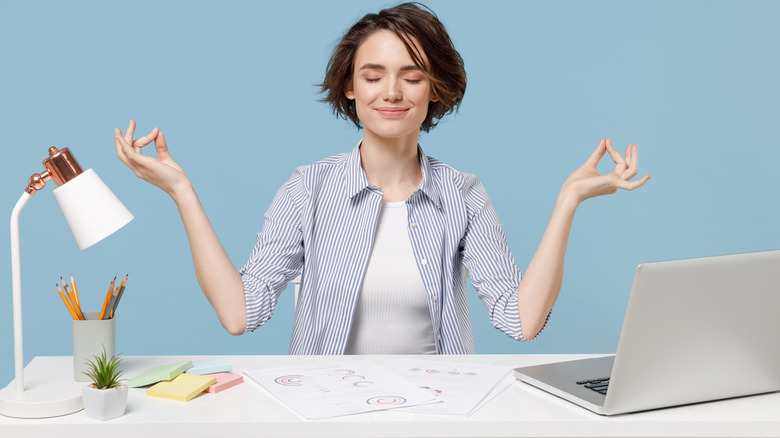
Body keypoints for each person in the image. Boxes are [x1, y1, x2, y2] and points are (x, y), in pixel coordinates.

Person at [114, 3, 649, 355]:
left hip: (438, 415)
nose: (391, 92)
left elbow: (521, 320)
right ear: (349, 88)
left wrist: (568, 200)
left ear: (434, 91)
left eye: (412, 77)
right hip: (325, 416)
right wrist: (181, 191)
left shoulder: (463, 195)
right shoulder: (308, 189)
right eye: (372, 76)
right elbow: (239, 313)